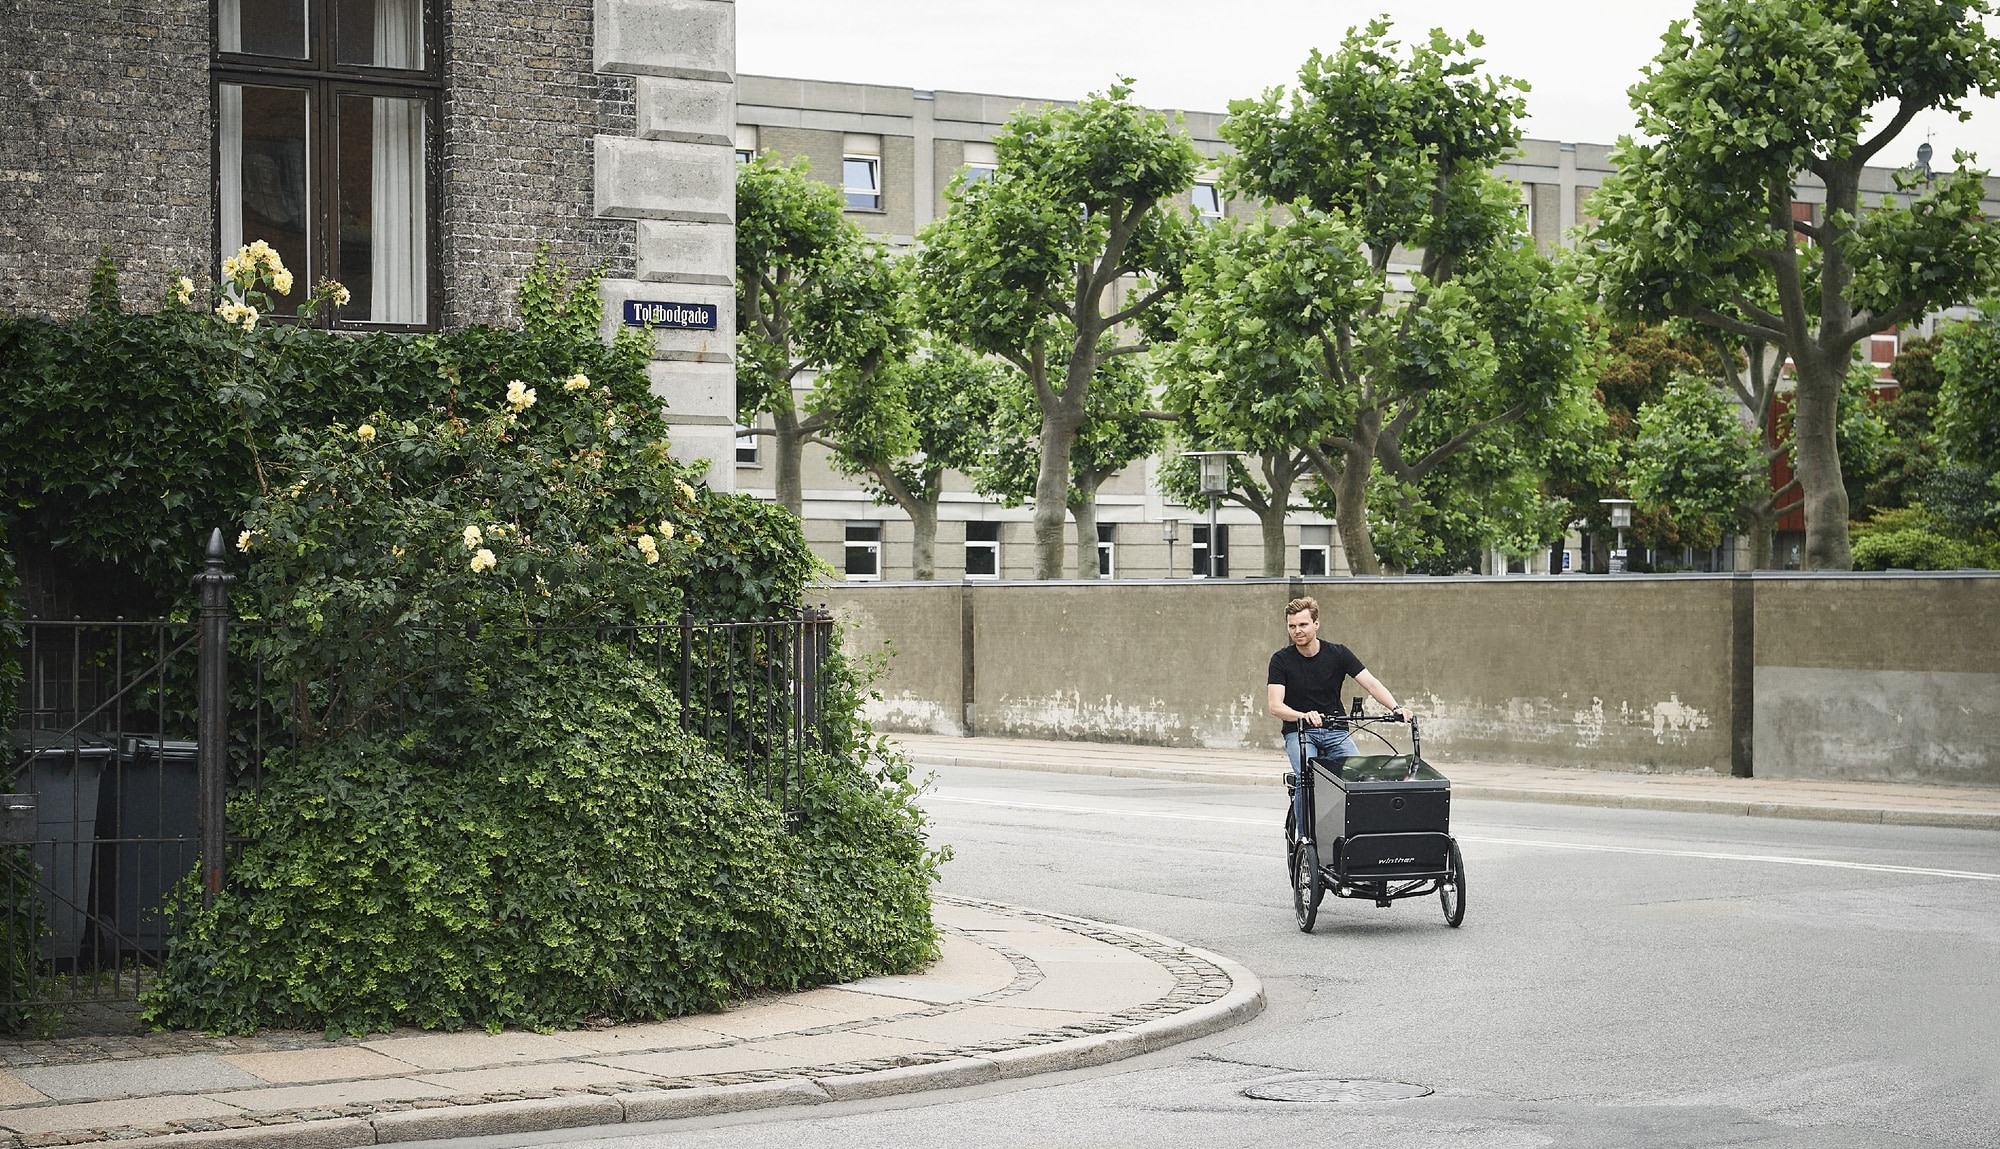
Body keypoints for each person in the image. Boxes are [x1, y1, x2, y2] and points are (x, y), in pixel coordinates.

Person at [1268, 596, 1411, 840]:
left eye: (1302, 625)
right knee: (1306, 777)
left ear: (1316, 624)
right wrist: (1303, 715)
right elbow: (1275, 705)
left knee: (1359, 778)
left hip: (1336, 730)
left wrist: (1396, 707)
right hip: (1300, 732)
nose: (1297, 631)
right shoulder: (1281, 660)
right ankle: (1306, 841)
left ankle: (1359, 839)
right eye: (1292, 626)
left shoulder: (1338, 653)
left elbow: (1372, 684)